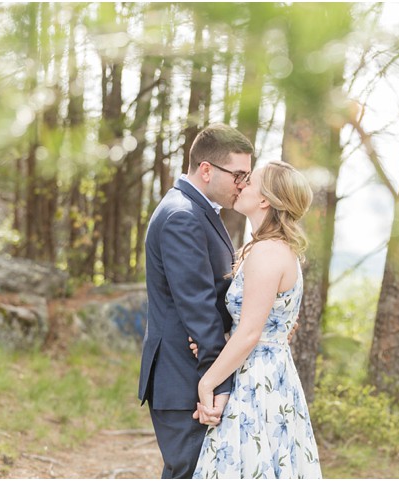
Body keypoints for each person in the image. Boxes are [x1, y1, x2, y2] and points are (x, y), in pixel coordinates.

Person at [191, 160, 322, 479]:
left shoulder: (268, 253)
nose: (240, 185)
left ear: (265, 199)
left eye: (249, 181)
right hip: (262, 370)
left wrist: (207, 382)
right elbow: (262, 326)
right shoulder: (268, 249)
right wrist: (221, 342)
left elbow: (250, 333)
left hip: (258, 383)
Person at [138, 123, 254, 479]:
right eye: (238, 175)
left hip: (193, 374)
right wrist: (217, 384)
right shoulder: (182, 217)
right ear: (206, 169)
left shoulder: (199, 211)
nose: (243, 185)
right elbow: (199, 309)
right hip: (184, 378)